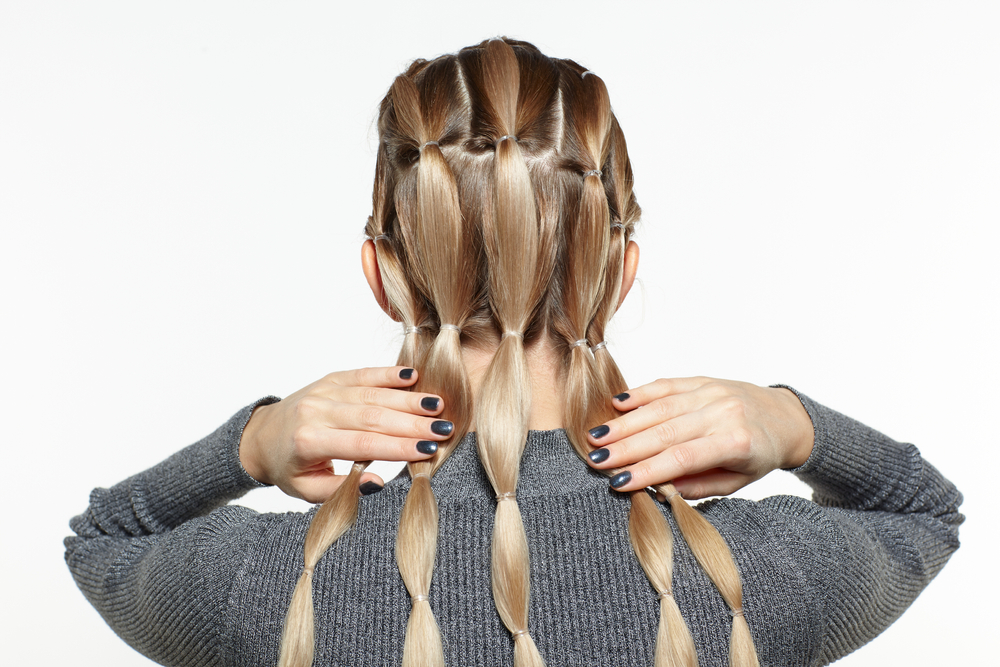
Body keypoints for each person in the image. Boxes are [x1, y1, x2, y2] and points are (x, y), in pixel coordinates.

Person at [65, 38, 963, 667]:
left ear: (382, 275)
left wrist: (253, 442)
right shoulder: (753, 575)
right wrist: (793, 423)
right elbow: (923, 514)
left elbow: (103, 538)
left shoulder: (266, 584)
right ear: (619, 274)